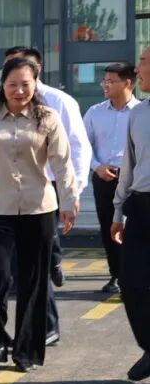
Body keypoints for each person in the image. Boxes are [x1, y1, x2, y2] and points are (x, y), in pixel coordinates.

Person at [0, 57, 78, 373]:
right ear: (2, 85)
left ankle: (26, 351)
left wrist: (69, 201)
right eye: (12, 84)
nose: (19, 91)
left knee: (33, 282)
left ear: (35, 84)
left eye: (25, 84)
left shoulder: (47, 118)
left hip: (39, 208)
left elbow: (62, 162)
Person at [3, 47, 89, 347]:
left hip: (45, 192)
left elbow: (75, 148)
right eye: (9, 68)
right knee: (14, 267)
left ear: (36, 68)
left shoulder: (58, 102)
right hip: (7, 196)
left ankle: (46, 325)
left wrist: (72, 193)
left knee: (34, 265)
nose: (15, 75)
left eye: (21, 66)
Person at [110, 45, 150, 383]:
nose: (138, 69)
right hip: (141, 205)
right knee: (132, 282)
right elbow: (129, 164)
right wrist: (118, 211)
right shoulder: (138, 114)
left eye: (145, 61)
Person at [85, 62, 138, 295]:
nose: (105, 85)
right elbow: (83, 146)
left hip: (135, 180)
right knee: (109, 227)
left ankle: (135, 275)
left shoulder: (141, 111)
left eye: (111, 81)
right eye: (104, 81)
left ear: (128, 83)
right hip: (105, 178)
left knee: (136, 227)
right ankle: (116, 275)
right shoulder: (94, 112)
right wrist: (96, 167)